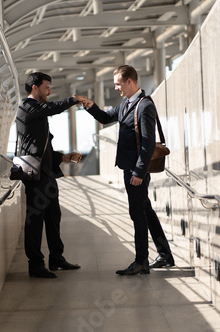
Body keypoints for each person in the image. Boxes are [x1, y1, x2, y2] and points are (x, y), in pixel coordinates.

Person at [80, 65, 175, 275]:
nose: (116, 88)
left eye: (118, 84)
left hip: (136, 171)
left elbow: (149, 143)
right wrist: (90, 105)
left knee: (137, 214)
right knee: (146, 212)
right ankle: (165, 254)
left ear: (129, 81)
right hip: (129, 168)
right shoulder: (126, 103)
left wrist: (139, 173)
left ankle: (141, 261)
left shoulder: (144, 106)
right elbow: (106, 118)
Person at [15, 72, 83, 278]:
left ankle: (56, 258)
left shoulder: (38, 112)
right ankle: (35, 264)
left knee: (54, 216)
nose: (50, 92)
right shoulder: (27, 107)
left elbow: (42, 147)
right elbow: (52, 108)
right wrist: (73, 99)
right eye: (46, 87)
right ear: (34, 88)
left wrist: (63, 158)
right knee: (34, 221)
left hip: (46, 174)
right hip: (34, 175)